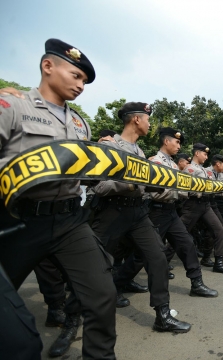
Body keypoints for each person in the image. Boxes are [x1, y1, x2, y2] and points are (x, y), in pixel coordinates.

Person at [0, 38, 117, 359]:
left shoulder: (80, 123)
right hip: (18, 222)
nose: (80, 85)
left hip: (69, 220)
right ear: (48, 66)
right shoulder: (12, 106)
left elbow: (87, 173)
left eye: (84, 80)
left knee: (102, 295)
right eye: (75, 75)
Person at [89, 102, 192, 335]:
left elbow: (144, 188)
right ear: (136, 119)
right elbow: (100, 187)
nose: (149, 124)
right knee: (94, 265)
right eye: (147, 119)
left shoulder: (139, 152)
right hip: (111, 213)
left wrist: (155, 186)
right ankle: (71, 319)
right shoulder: (108, 146)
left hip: (137, 212)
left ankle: (162, 315)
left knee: (158, 257)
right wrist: (130, 183)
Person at [146, 127, 218, 297]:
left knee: (187, 244)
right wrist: (179, 191)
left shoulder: (172, 164)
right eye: (177, 142)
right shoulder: (155, 162)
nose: (179, 146)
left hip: (171, 211)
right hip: (157, 211)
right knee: (143, 254)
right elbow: (154, 191)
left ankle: (196, 283)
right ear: (166, 141)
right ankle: (121, 281)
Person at [180, 145, 223, 274]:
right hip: (193, 204)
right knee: (180, 235)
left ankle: (219, 263)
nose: (206, 157)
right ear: (197, 153)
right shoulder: (189, 169)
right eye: (204, 154)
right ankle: (164, 263)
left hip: (206, 204)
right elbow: (183, 189)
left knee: (219, 230)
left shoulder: (203, 170)